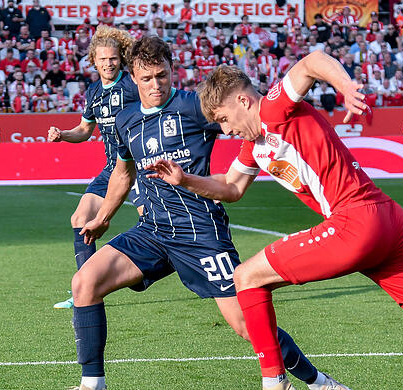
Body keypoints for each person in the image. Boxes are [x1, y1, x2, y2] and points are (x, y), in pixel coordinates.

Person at [145, 48, 403, 390]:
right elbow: (230, 187)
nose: (225, 130)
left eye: (224, 118)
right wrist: (185, 180)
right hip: (388, 223)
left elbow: (312, 61)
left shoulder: (275, 106)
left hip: (356, 223)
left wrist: (346, 87)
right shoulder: (254, 145)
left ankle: (274, 382)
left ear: (244, 101)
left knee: (245, 277)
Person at [71, 36, 349, 390]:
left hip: (201, 234)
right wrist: (105, 216)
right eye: (147, 78)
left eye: (162, 75)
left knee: (248, 326)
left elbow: (246, 120)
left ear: (172, 70)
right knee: (84, 283)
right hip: (153, 231)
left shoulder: (194, 107)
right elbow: (123, 174)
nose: (156, 85)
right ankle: (92, 384)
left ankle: (319, 382)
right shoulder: (125, 120)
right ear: (133, 77)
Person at [46, 25, 142, 310]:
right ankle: (85, 289)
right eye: (102, 59)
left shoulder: (133, 85)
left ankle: (142, 271)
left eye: (113, 58)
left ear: (120, 58)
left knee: (154, 225)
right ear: (94, 61)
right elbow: (85, 130)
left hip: (141, 169)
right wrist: (63, 135)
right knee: (80, 217)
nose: (108, 63)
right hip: (112, 168)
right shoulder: (93, 91)